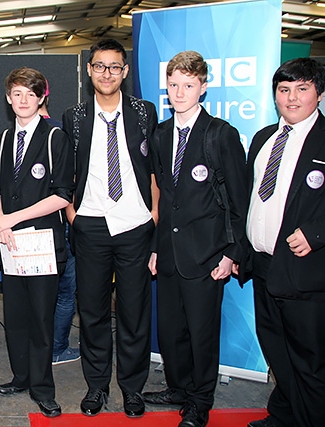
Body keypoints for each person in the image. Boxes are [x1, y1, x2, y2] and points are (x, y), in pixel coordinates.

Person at [144, 51, 247, 427]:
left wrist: (231, 254)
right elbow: (164, 199)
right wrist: (156, 247)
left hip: (207, 255)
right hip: (169, 253)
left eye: (188, 85)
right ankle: (178, 388)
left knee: (202, 333)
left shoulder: (221, 134)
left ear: (203, 87)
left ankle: (201, 400)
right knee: (171, 331)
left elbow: (239, 201)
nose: (180, 92)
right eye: (173, 85)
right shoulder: (159, 135)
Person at [61, 38, 158, 418]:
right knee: (94, 312)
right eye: (100, 66)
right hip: (91, 226)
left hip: (136, 224)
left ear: (125, 71)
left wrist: (153, 215)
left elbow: (155, 170)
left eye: (115, 66)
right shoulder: (75, 117)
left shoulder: (143, 112)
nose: (107, 73)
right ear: (89, 70)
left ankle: (132, 389)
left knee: (134, 312)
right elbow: (65, 174)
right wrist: (74, 216)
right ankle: (97, 386)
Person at [240, 57, 325, 427]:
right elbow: (250, 197)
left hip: (304, 269)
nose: (291, 98)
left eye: (302, 89)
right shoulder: (264, 138)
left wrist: (317, 232)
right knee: (276, 346)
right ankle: (285, 414)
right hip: (264, 264)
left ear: (318, 94)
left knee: (309, 357)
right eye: (284, 89)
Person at [0, 67, 74, 417]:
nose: (23, 100)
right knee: (16, 315)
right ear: (9, 98)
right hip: (10, 243)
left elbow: (62, 196)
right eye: (17, 94)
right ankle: (20, 376)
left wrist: (13, 218)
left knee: (41, 317)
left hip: (42, 243)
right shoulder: (3, 141)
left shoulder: (56, 137)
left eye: (30, 94)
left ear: (42, 98)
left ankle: (42, 387)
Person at [39, 80, 81, 366]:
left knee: (36, 291)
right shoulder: (62, 131)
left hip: (28, 225)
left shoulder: (10, 137)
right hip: (63, 220)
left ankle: (39, 348)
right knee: (66, 290)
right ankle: (56, 348)